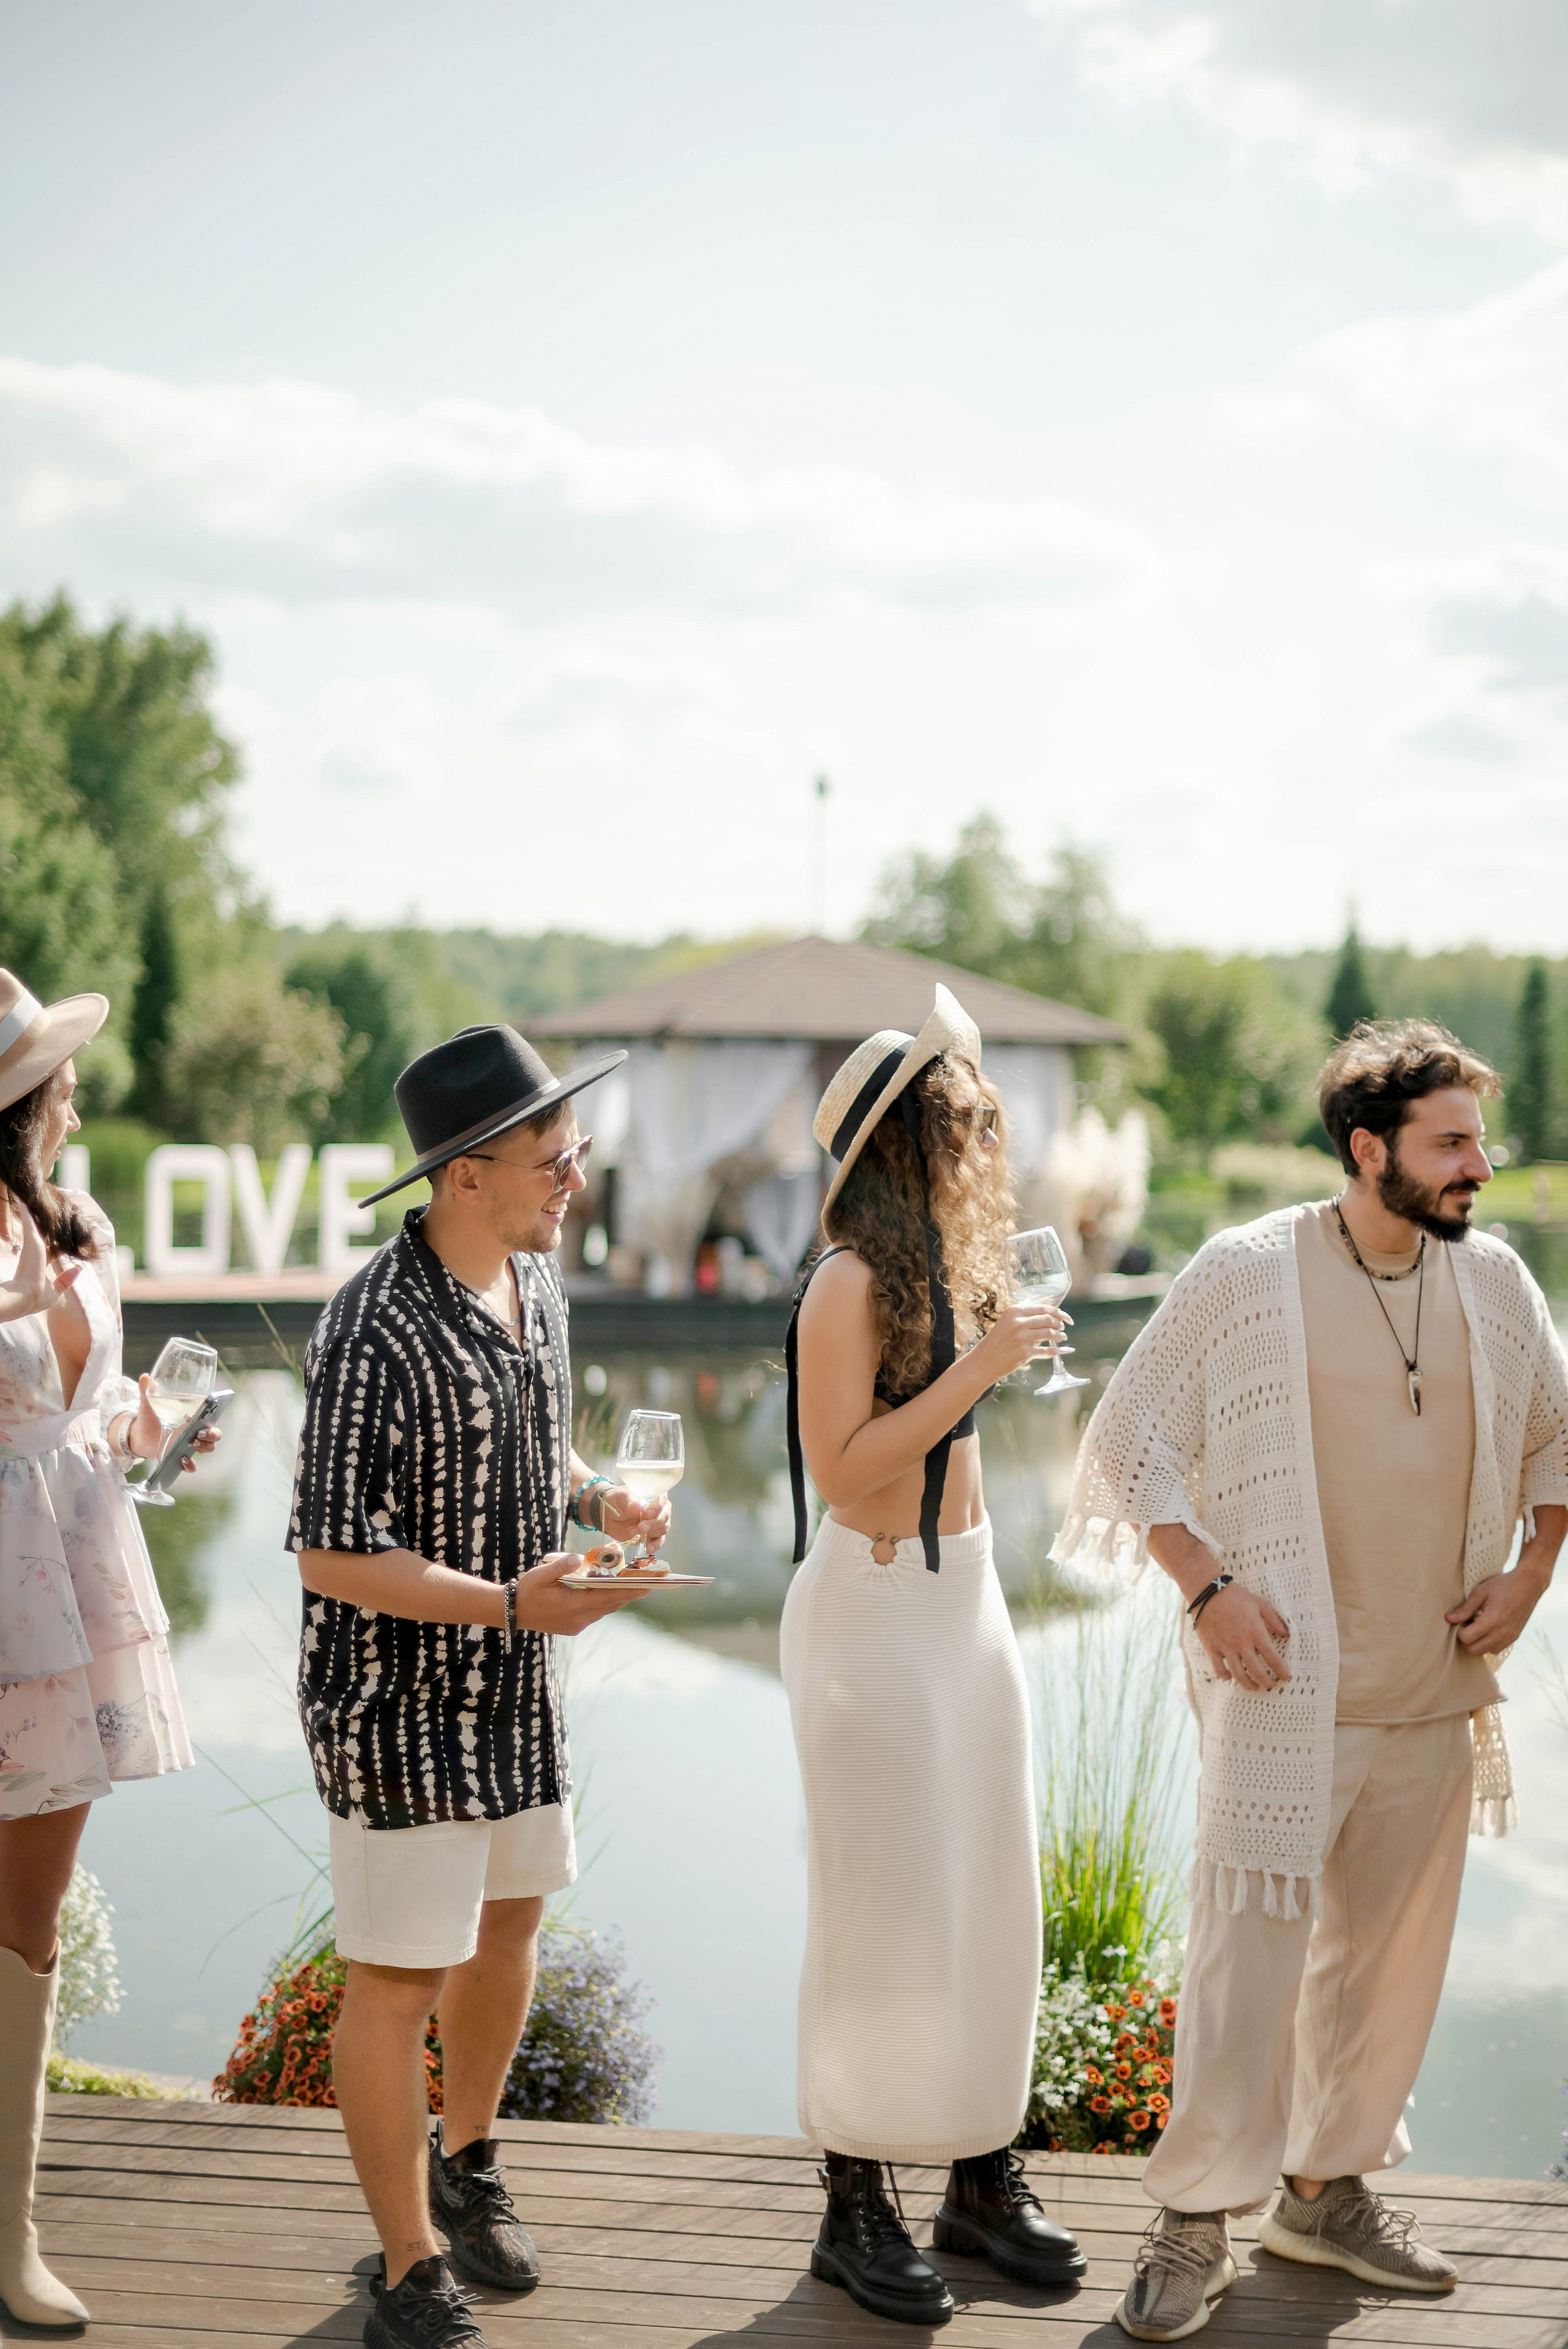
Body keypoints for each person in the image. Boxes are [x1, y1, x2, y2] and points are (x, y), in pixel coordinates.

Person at [1051, 1019, 1568, 2343]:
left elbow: (1556, 1437)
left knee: (1386, 1971)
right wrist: (1205, 1587)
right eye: (1448, 1143)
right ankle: (1192, 2216)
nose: (1476, 1166)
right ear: (1365, 1148)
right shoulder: (1243, 1270)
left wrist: (1526, 1575)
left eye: (1476, 1141)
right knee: (1242, 1973)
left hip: (1434, 1689)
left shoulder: (1497, 1280)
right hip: (1287, 1696)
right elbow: (1126, 1441)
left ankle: (1324, 2193)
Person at [290, 1022, 672, 2349]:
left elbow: (530, 1442)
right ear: (464, 1173)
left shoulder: (536, 1284)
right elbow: (331, 1552)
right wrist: (513, 1601)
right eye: (552, 1156)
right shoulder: (367, 1327)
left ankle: (469, 2163)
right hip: (394, 1709)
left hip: (515, 1691)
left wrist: (593, 1493)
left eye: (573, 1150)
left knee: (508, 1930)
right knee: (398, 1981)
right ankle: (405, 2266)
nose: (575, 1175)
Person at [781, 984, 1088, 2329]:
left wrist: (992, 1358)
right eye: (959, 1116)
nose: (981, 1134)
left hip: (966, 1609)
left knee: (987, 1890)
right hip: (870, 1613)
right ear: (906, 1144)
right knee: (882, 1909)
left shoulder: (949, 1276)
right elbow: (842, 1475)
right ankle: (854, 2202)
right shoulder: (844, 1285)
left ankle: (977, 2168)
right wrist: (979, 1375)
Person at [0, 968, 216, 2332]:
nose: (75, 1085)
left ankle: (6, 2229)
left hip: (72, 1589)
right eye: (56, 1070)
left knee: (27, 1923)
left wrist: (155, 1427)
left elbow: (94, 1419)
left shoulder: (82, 1223)